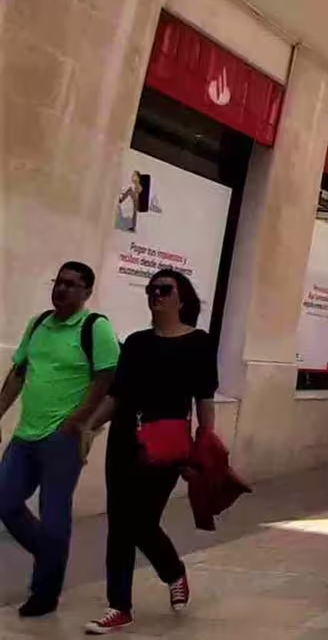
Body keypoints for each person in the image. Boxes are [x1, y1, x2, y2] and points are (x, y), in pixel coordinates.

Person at [82, 269, 216, 634]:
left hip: (167, 445)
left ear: (181, 298)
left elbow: (204, 399)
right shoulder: (137, 342)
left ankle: (173, 571)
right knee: (119, 524)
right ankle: (119, 606)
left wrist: (204, 446)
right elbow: (117, 396)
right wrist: (89, 427)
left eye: (164, 289)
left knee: (141, 522)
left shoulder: (199, 343)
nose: (155, 295)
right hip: (125, 440)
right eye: (151, 289)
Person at [0, 261, 119, 618]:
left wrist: (79, 420)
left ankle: (45, 592)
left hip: (62, 438)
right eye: (59, 282)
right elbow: (19, 372)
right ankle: (50, 555)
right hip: (25, 434)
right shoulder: (39, 323)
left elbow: (108, 377)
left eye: (71, 284)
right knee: (5, 501)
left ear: (87, 291)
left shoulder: (95, 327)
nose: (62, 289)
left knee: (53, 513)